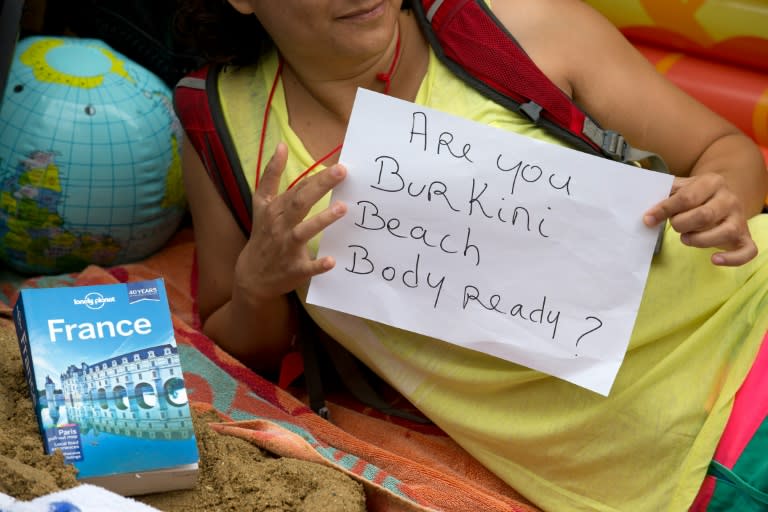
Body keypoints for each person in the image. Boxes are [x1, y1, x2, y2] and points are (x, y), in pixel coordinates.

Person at [174, 1, 768, 510]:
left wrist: (720, 199)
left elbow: (726, 150)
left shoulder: (513, 25)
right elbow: (234, 339)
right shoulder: (219, 119)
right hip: (651, 466)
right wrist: (258, 283)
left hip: (748, 324)